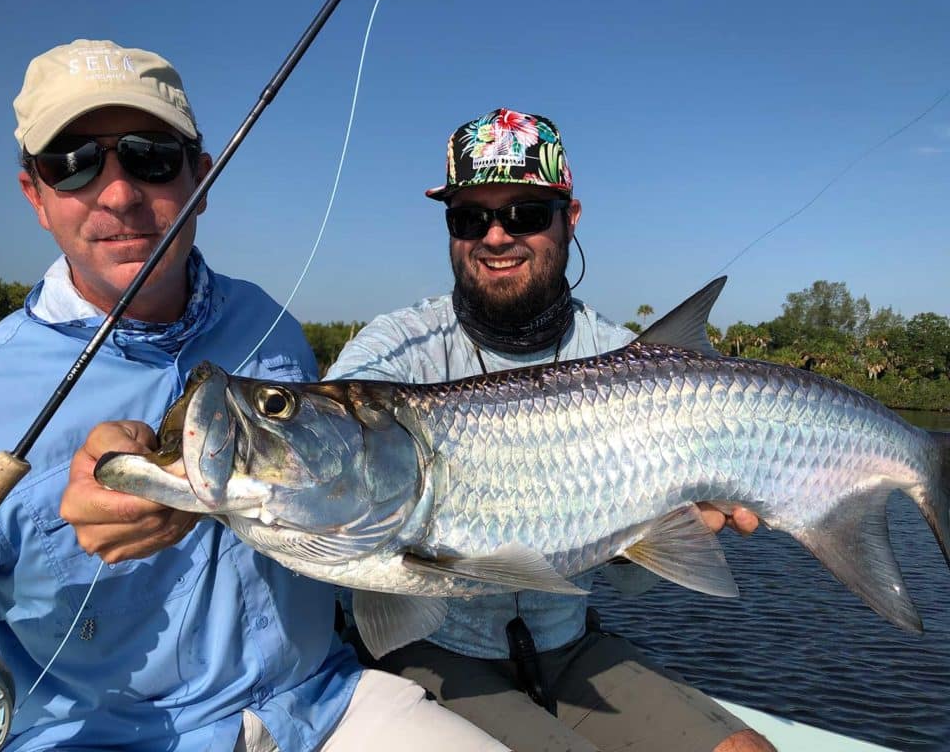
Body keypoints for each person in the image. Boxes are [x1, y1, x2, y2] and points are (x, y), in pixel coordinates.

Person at [0, 40, 506, 751]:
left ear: (202, 175)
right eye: (70, 162)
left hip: (319, 704)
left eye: (150, 156)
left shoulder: (271, 324)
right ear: (35, 195)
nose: (118, 193)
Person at [325, 108, 776, 752]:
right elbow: (331, 449)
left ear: (571, 217)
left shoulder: (626, 360)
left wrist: (662, 530)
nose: (497, 236)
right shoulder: (396, 350)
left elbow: (633, 579)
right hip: (429, 649)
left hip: (571, 644)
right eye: (469, 217)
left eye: (527, 214)